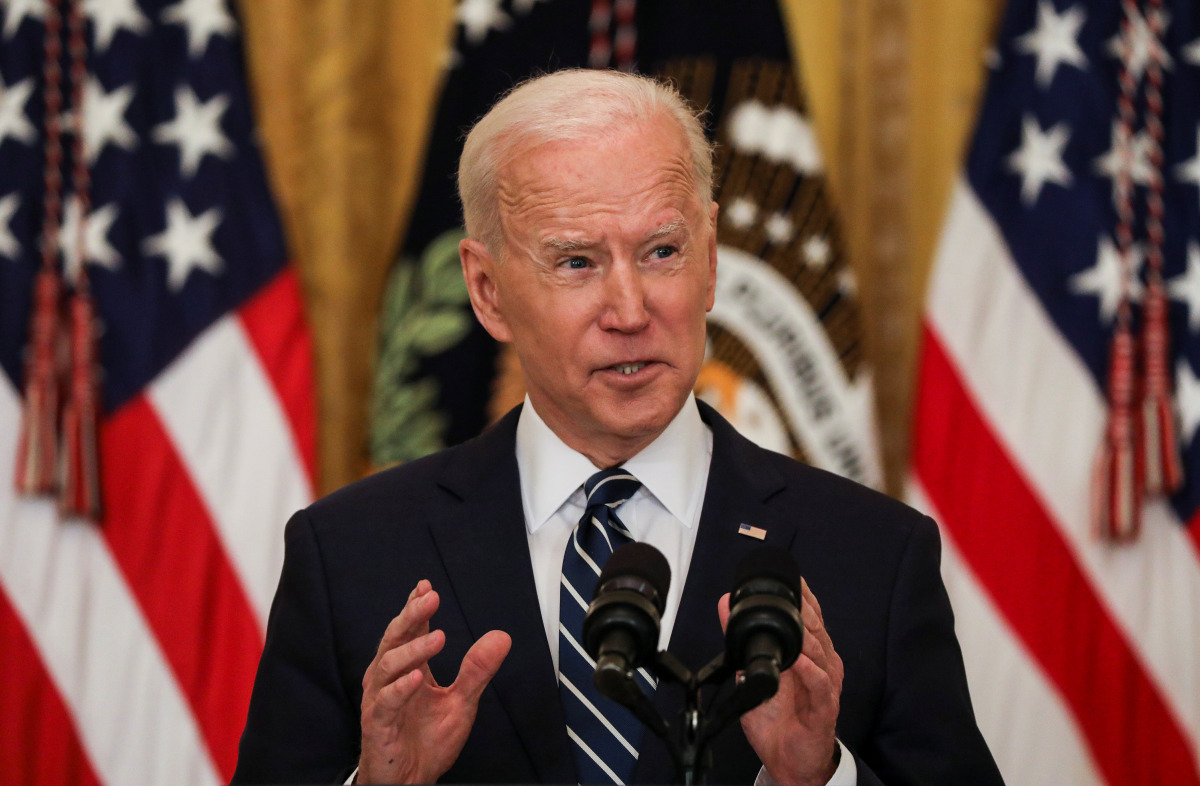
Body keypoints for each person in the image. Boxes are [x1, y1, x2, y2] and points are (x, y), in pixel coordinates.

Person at [232, 69, 1003, 786]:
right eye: (576, 263)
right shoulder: (350, 557)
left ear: (709, 258)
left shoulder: (873, 557)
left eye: (662, 251)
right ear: (487, 289)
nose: (632, 312)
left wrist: (817, 779)